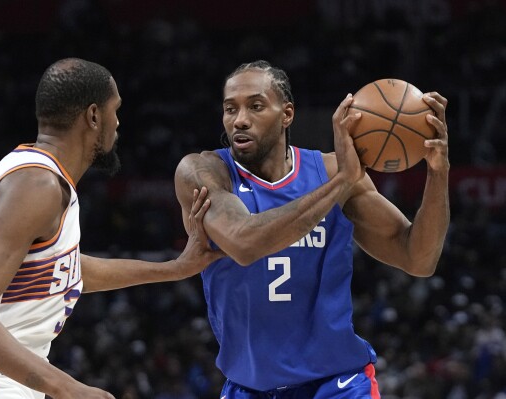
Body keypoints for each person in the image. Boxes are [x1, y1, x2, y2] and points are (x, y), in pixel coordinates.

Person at [0, 58, 223, 399]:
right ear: (93, 116)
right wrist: (69, 388)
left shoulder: (42, 179)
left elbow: (69, 270)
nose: (118, 122)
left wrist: (176, 268)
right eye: (115, 110)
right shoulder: (38, 186)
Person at [174, 60, 450, 398]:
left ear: (287, 114)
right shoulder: (203, 172)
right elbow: (244, 243)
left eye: (256, 106)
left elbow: (418, 258)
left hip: (338, 384)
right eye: (230, 109)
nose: (240, 119)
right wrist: (343, 182)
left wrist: (438, 172)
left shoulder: (331, 170)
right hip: (251, 387)